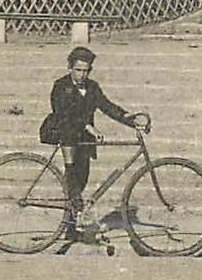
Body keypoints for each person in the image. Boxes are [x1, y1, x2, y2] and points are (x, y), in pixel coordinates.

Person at [41, 46, 151, 238]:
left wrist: (128, 118)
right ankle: (73, 217)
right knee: (72, 173)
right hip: (65, 132)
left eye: (86, 71)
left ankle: (72, 225)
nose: (82, 75)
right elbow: (63, 111)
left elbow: (106, 106)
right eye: (78, 70)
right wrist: (88, 127)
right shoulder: (61, 85)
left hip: (84, 140)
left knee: (82, 178)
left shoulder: (92, 87)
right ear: (70, 68)